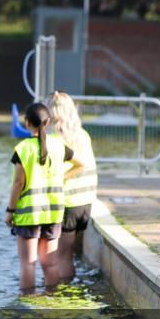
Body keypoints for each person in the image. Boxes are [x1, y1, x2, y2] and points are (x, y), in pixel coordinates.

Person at [5, 102, 84, 293]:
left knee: (28, 264)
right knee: (50, 264)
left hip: (28, 214)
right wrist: (61, 178)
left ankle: (29, 302)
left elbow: (18, 184)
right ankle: (52, 298)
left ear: (26, 123)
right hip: (54, 213)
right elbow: (80, 164)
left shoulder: (22, 149)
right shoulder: (59, 144)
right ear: (47, 122)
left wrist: (10, 211)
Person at [50, 91, 98, 283]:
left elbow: (73, 168)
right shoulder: (83, 135)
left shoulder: (57, 140)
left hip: (68, 203)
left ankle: (61, 291)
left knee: (63, 254)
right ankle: (69, 286)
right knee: (69, 254)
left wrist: (56, 181)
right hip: (86, 201)